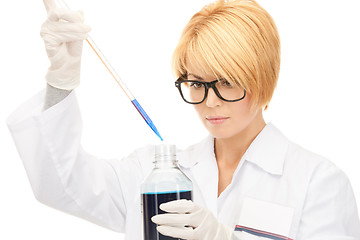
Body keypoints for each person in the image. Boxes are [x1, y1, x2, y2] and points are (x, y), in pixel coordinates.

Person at [7, 0, 360, 239]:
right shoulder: (152, 173)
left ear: (263, 78)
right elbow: (61, 183)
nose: (208, 102)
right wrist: (61, 80)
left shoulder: (318, 182)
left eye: (227, 82)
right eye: (196, 83)